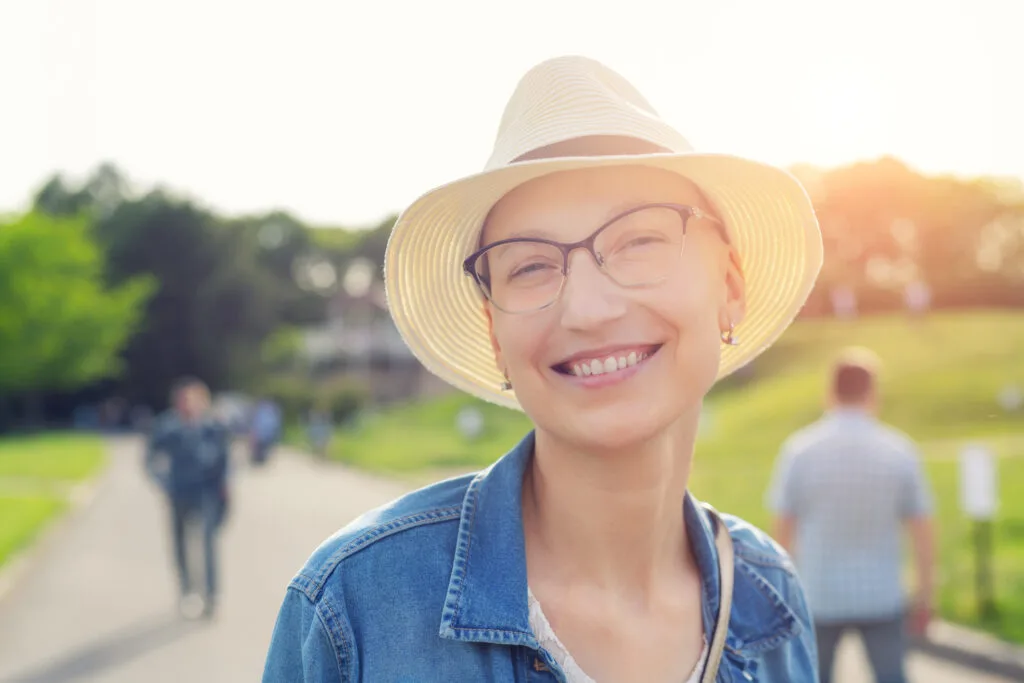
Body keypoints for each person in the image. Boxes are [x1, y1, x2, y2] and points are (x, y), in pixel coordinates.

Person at [263, 55, 824, 682]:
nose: (587, 309)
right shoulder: (355, 610)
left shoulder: (771, 601)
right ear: (494, 334)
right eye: (529, 266)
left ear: (729, 284)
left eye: (640, 240)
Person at [766, 348, 936, 683]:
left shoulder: (799, 451)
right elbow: (923, 531)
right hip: (883, 594)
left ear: (830, 391)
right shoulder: (900, 451)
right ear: (873, 392)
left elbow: (782, 533)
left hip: (818, 593)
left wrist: (780, 597)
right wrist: (925, 595)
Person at [145, 376, 232, 620]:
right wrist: (163, 483)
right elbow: (150, 459)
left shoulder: (213, 427)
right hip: (179, 493)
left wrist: (225, 487)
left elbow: (225, 461)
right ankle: (187, 590)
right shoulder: (167, 427)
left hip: (206, 494)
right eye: (183, 400)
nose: (188, 405)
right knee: (180, 545)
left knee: (208, 545)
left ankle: (211, 594)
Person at [249, 397, 282, 466]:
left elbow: (255, 422)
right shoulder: (271, 411)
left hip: (263, 433)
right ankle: (259, 459)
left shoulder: (262, 411)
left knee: (262, 447)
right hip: (265, 433)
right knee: (262, 447)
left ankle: (259, 459)